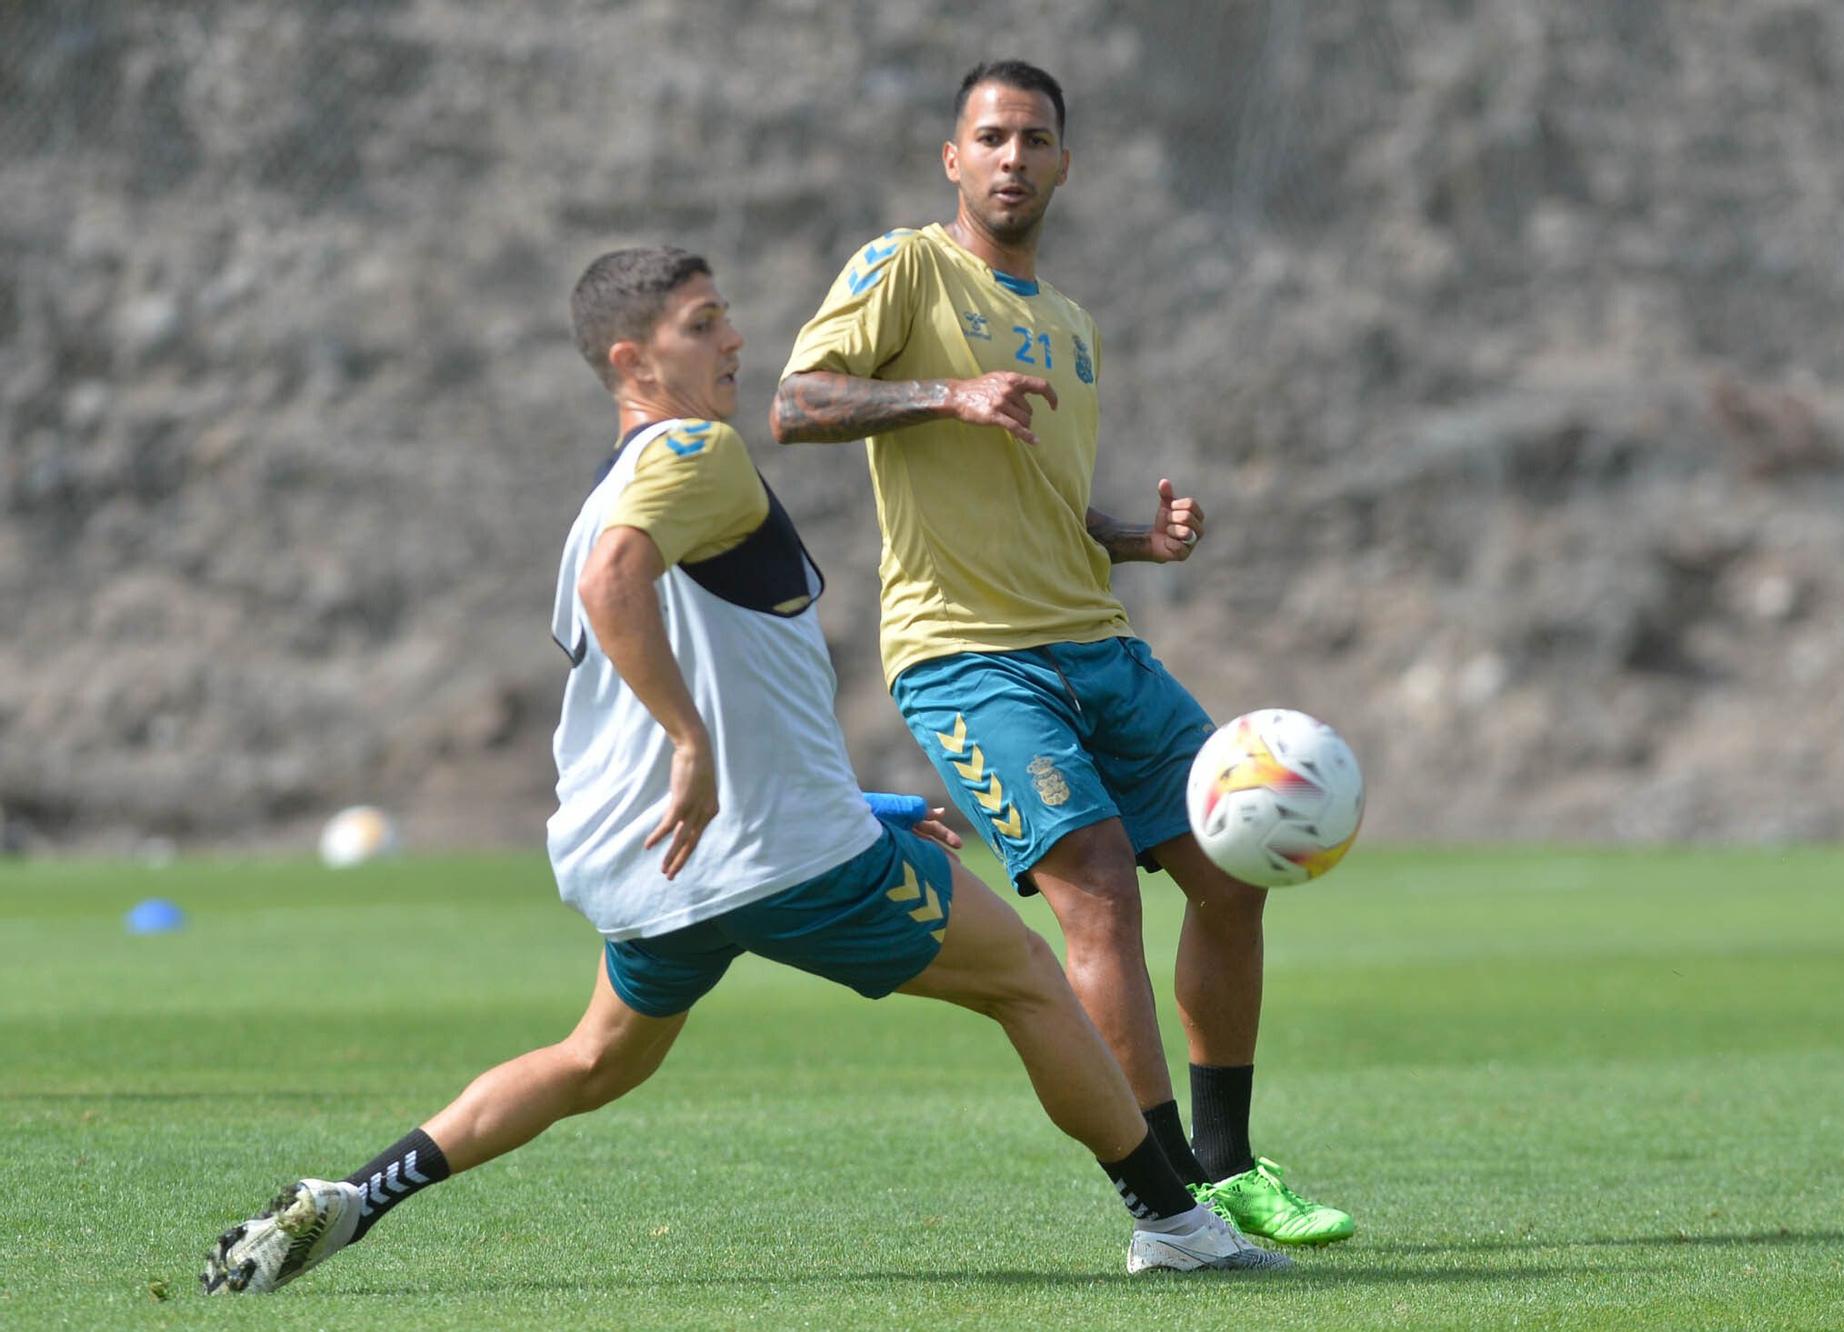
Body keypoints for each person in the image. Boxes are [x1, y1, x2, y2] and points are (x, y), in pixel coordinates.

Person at [198, 248, 1289, 1296]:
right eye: (702, 322)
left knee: (595, 1061)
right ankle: (1176, 1227)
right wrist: (692, 744)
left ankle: (357, 1196)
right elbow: (620, 593)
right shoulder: (692, 454)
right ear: (631, 362)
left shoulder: (600, 498)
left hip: (658, 873)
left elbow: (684, 667)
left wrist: (850, 794)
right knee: (1027, 981)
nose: (734, 337)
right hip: (779, 858)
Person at [770, 61, 1353, 1246]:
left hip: (1097, 642)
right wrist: (945, 393)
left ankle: (1227, 1164)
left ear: (1063, 164)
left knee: (1230, 876)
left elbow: (1037, 501)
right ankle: (1165, 1205)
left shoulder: (1070, 327)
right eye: (989, 137)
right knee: (1093, 893)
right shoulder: (903, 266)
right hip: (967, 659)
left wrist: (1131, 541)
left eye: (1034, 140)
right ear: (952, 157)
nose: (1011, 158)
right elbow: (794, 401)